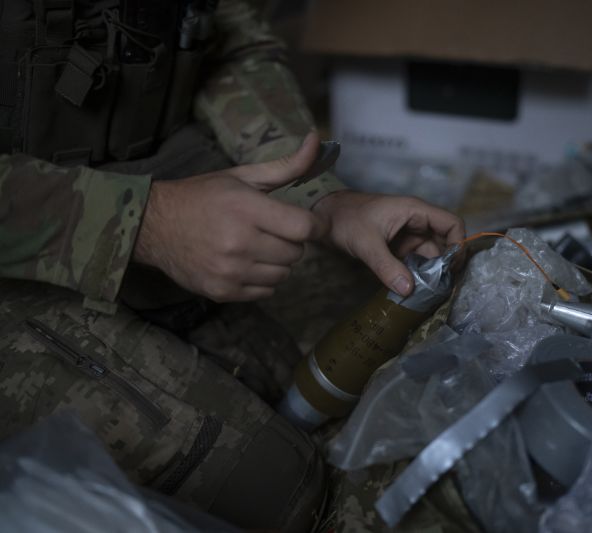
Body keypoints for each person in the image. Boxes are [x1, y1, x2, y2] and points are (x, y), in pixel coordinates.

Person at [0, 0, 465, 530]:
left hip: (170, 170)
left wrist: (324, 199)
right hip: (21, 252)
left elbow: (233, 44)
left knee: (413, 353)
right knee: (280, 488)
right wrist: (147, 221)